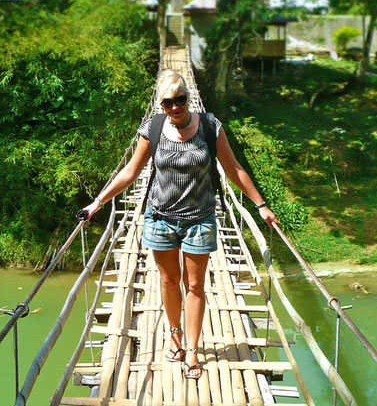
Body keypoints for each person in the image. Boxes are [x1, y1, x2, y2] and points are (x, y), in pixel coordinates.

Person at [81, 70, 277, 379]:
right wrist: (99, 201)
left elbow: (233, 168)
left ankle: (193, 350)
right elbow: (130, 173)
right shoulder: (153, 129)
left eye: (181, 100)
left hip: (200, 219)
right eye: (168, 103)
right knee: (169, 282)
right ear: (160, 105)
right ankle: (175, 337)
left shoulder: (211, 127)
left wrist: (260, 205)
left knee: (195, 285)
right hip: (160, 218)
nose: (176, 107)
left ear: (189, 98)